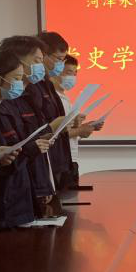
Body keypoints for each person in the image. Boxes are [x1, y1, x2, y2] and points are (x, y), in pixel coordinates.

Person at [0, 50, 49, 236]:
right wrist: (29, 150)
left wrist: (34, 146)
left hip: (18, 199)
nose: (20, 84)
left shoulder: (5, 105)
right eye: (17, 79)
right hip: (2, 205)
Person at [0, 35, 59, 217]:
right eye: (37, 61)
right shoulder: (5, 100)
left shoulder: (31, 94)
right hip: (17, 195)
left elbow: (34, 140)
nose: (42, 67)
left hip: (37, 186)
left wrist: (45, 185)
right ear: (18, 62)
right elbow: (13, 151)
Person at [51, 53, 96, 189]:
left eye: (75, 73)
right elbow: (54, 134)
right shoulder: (52, 99)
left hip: (71, 159)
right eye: (69, 72)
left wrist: (81, 127)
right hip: (59, 160)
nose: (72, 77)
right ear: (57, 71)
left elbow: (68, 129)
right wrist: (80, 130)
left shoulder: (65, 98)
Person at [38, 30, 76, 190]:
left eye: (63, 59)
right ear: (43, 55)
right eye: (59, 59)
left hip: (59, 160)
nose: (61, 64)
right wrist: (56, 126)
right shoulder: (33, 87)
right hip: (44, 160)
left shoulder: (47, 84)